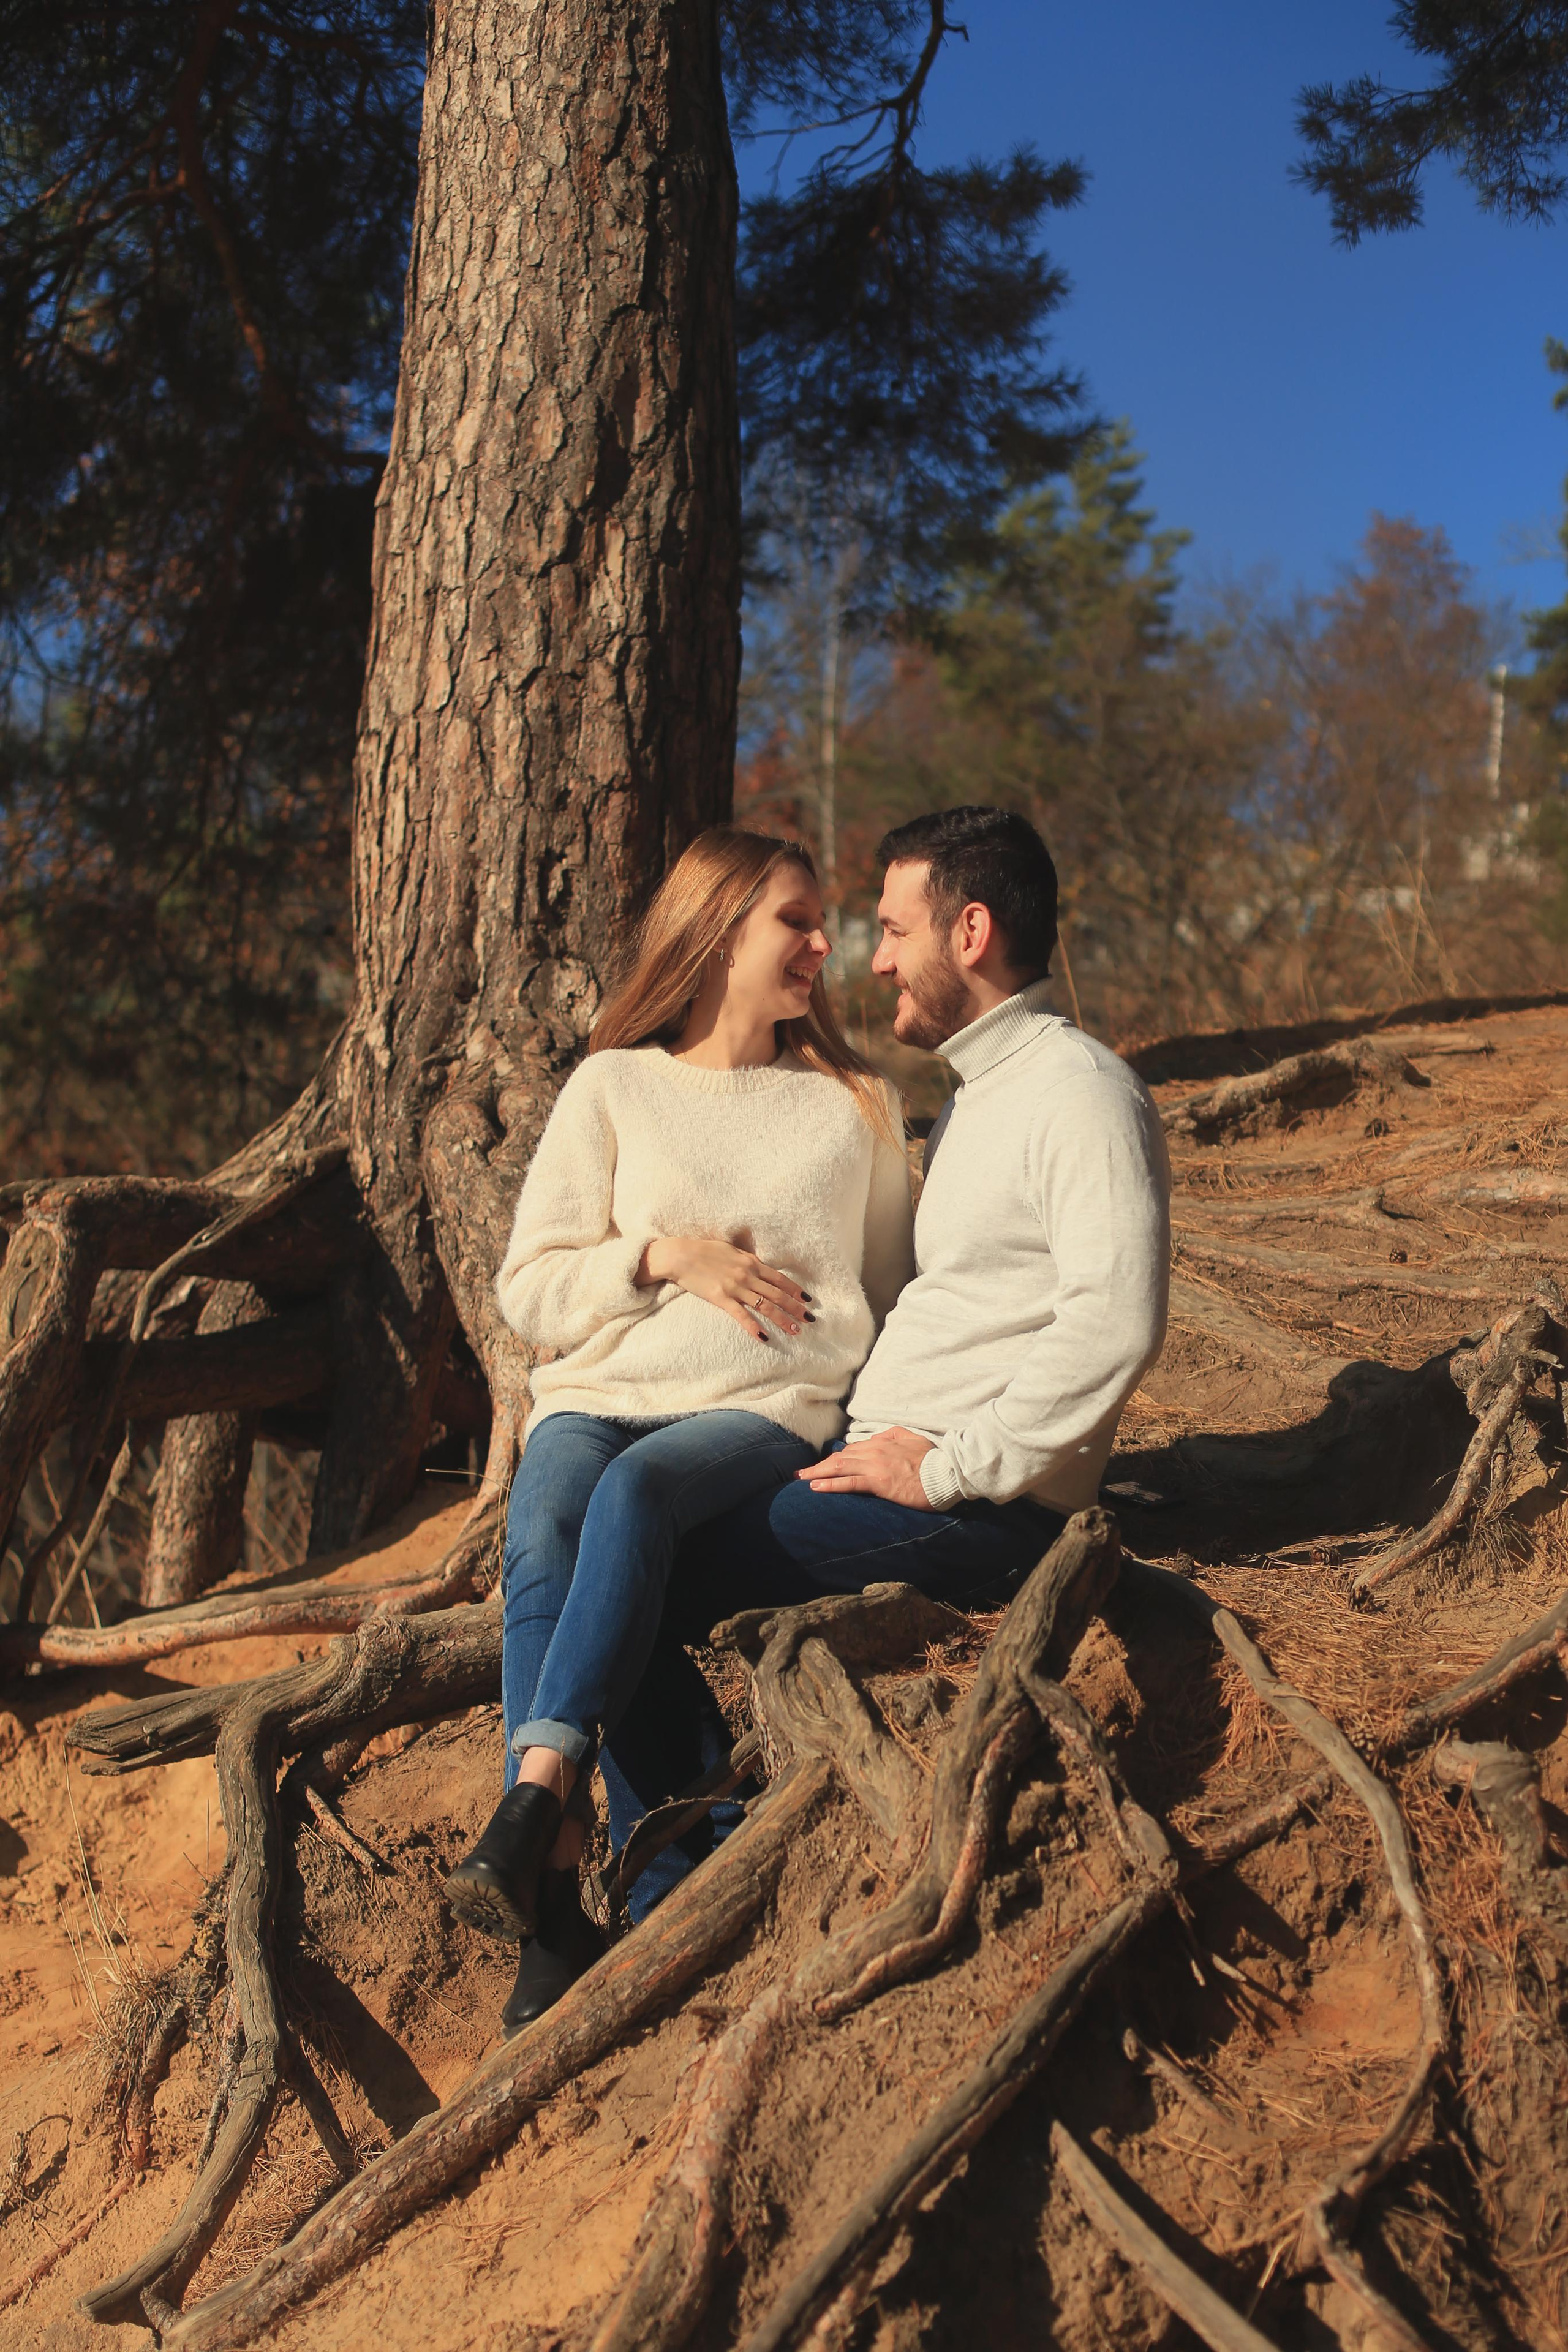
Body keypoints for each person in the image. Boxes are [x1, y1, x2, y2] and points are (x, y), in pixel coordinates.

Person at [604, 805, 1171, 1910]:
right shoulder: (973, 1100)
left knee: (639, 1574)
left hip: (976, 1508)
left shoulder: (1081, 1093)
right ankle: (664, 1834)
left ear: (969, 932)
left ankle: (679, 1881)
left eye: (895, 931)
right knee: (606, 1516)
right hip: (874, 1459)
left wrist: (949, 1468)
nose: (876, 961)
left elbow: (1117, 1320)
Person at [443, 827, 913, 2034]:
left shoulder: (854, 1105)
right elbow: (527, 1289)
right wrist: (662, 1257)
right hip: (597, 1392)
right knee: (547, 1516)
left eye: (825, 923)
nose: (824, 944)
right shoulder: (612, 1087)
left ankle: (539, 1816)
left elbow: (897, 1292)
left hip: (762, 1411)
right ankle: (584, 1888)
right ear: (715, 933)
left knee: (632, 1502)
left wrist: (909, 1431)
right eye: (794, 922)